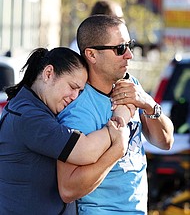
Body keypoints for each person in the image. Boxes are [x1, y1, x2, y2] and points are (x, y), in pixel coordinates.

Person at [57, 15, 174, 214]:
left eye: (130, 45)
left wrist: (147, 104)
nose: (129, 54)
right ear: (91, 55)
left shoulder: (131, 85)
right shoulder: (78, 110)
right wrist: (116, 149)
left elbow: (165, 141)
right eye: (120, 49)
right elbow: (68, 189)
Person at [0, 47, 132, 214]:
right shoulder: (29, 117)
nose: (74, 97)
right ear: (48, 73)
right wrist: (119, 122)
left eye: (80, 91)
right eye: (72, 87)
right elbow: (85, 151)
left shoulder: (33, 108)